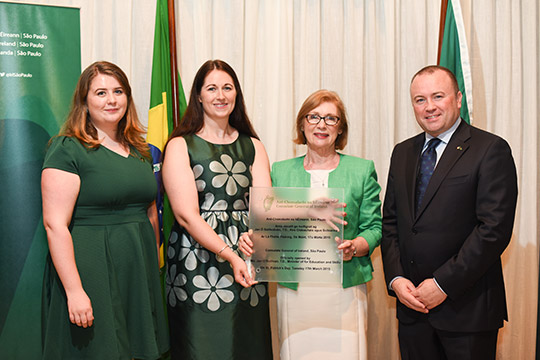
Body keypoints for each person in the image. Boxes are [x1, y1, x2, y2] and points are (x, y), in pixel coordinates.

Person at [381, 65, 518, 360]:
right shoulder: (402, 152)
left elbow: (493, 230)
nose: (429, 107)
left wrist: (443, 283)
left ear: (457, 99)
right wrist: (396, 279)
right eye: (420, 99)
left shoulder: (490, 149)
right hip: (412, 310)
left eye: (438, 96)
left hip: (467, 312)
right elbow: (391, 223)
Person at [240, 89, 382, 360]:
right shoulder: (280, 171)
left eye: (331, 119)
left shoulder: (362, 170)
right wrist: (252, 238)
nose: (321, 125)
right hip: (296, 291)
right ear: (302, 124)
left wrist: (356, 246)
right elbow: (270, 226)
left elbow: (374, 227)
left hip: (345, 289)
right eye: (314, 116)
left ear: (340, 128)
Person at [41, 61, 169, 359]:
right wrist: (74, 291)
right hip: (90, 270)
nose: (111, 100)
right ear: (84, 101)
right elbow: (55, 225)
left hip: (137, 270)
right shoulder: (67, 149)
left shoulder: (140, 149)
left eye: (118, 91)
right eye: (100, 92)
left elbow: (150, 210)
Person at [162, 59, 273, 360]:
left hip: (248, 254)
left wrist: (254, 235)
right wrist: (229, 254)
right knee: (203, 346)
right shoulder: (180, 145)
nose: (220, 95)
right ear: (198, 95)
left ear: (237, 94)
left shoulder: (253, 145)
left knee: (246, 343)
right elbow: (186, 214)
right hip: (196, 259)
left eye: (227, 87)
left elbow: (264, 205)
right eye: (211, 88)